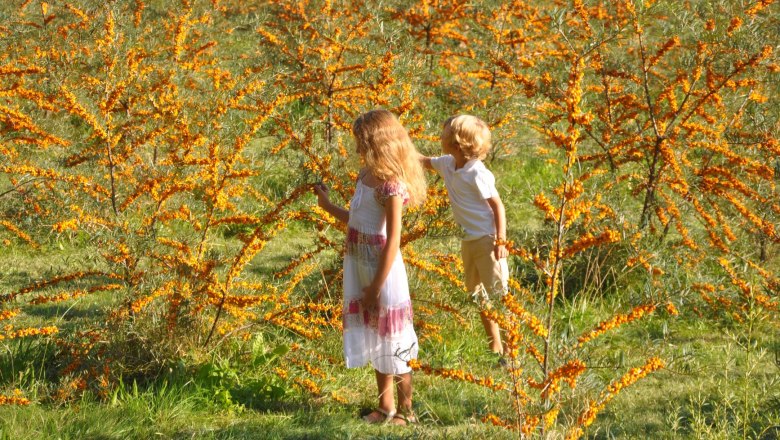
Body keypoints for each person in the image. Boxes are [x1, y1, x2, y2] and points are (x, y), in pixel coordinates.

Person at [314, 109, 426, 425]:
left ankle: (407, 412)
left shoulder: (391, 187)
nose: (358, 150)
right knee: (376, 336)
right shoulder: (365, 176)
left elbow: (392, 241)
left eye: (362, 143)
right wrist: (327, 206)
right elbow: (357, 220)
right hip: (360, 265)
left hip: (383, 271)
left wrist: (376, 287)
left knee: (394, 337)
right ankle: (385, 407)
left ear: (380, 143)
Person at [420, 114, 509, 358]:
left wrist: (501, 241)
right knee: (476, 293)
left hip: (487, 240)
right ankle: (495, 344)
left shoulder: (477, 173)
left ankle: (512, 354)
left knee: (499, 296)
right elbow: (423, 161)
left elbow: (497, 207)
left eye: (444, 132)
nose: (440, 133)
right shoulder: (448, 164)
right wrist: (398, 147)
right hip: (468, 241)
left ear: (456, 144)